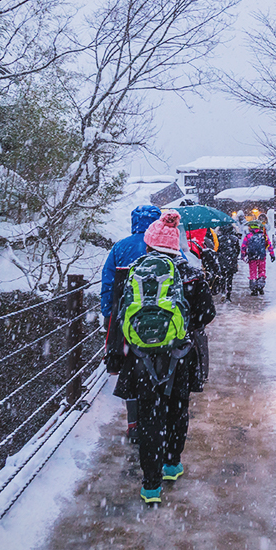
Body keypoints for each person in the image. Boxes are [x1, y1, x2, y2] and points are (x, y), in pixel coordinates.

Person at [114, 209, 216, 504]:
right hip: (179, 355)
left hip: (141, 357)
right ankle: (172, 464)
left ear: (148, 245)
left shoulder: (134, 272)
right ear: (175, 246)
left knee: (149, 416)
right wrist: (183, 326)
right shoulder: (192, 275)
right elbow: (207, 314)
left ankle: (150, 485)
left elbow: (121, 316)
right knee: (177, 409)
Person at [100, 204, 161, 441]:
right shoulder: (165, 246)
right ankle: (157, 419)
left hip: (126, 321)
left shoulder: (120, 247)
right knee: (160, 367)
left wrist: (109, 315)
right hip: (159, 321)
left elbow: (107, 285)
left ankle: (134, 424)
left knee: (130, 371)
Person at [240, 220, 275, 295]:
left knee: (253, 272)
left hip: (252, 257)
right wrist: (272, 254)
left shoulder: (249, 236)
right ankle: (260, 287)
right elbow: (269, 245)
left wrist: (243, 255)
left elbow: (243, 246)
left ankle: (254, 289)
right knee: (262, 272)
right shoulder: (263, 235)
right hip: (261, 257)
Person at [215, 223, 241, 301]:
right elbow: (237, 250)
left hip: (222, 260)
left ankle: (223, 291)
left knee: (222, 277)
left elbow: (217, 250)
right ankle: (228, 295)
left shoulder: (219, 239)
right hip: (231, 261)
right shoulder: (235, 239)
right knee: (230, 278)